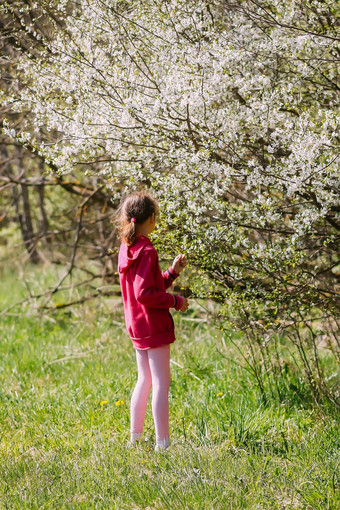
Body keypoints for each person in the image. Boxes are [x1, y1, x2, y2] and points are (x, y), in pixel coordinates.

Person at [116, 190, 189, 451]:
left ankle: (135, 438)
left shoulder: (127, 249)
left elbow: (149, 284)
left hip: (137, 326)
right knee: (160, 383)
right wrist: (175, 301)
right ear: (151, 219)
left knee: (143, 380)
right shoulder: (146, 250)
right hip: (153, 326)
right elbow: (146, 294)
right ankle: (163, 444)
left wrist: (171, 273)